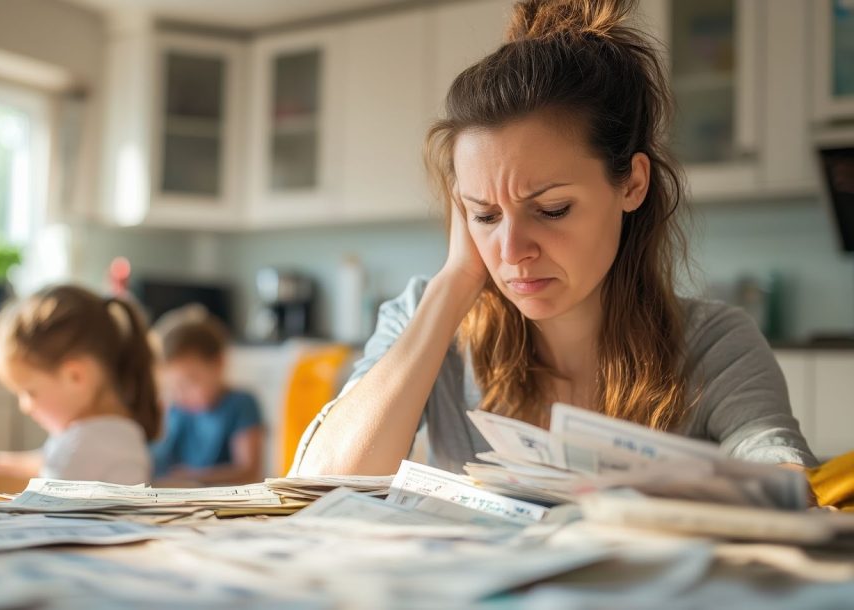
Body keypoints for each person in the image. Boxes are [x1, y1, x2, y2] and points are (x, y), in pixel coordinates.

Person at [292, 0, 817, 477]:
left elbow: (783, 478)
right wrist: (456, 280)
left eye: (551, 209)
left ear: (632, 183)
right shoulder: (424, 320)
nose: (513, 251)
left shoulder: (714, 345)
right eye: (485, 214)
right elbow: (323, 482)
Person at [0, 284, 160, 485]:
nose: (26, 406)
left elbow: (44, 495)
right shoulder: (114, 431)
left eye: (29, 392)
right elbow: (46, 461)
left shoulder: (80, 446)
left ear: (75, 377)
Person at [149, 305, 263, 486]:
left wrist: (193, 476)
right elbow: (158, 460)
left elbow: (249, 471)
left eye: (190, 382)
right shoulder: (177, 410)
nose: (181, 394)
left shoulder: (241, 404)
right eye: (173, 388)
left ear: (219, 364)